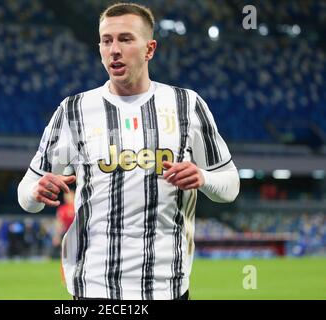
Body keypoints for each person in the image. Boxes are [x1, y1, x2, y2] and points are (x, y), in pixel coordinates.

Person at [18, 3, 240, 300]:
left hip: (166, 288)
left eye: (125, 39)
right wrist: (36, 192)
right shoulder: (73, 111)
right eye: (107, 40)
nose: (114, 50)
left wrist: (203, 177)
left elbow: (230, 185)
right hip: (93, 288)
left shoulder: (187, 105)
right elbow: (26, 194)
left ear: (149, 49)